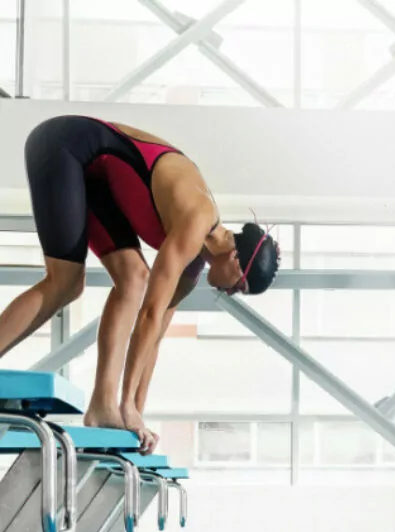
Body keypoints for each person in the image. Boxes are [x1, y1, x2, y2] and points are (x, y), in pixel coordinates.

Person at [0, 115, 280, 452]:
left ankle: (103, 406)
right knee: (66, 282)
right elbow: (148, 313)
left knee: (133, 278)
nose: (228, 292)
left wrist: (136, 415)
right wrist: (129, 407)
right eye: (238, 287)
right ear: (236, 259)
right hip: (66, 146)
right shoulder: (197, 219)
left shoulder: (191, 266)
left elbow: (154, 337)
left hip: (96, 179)